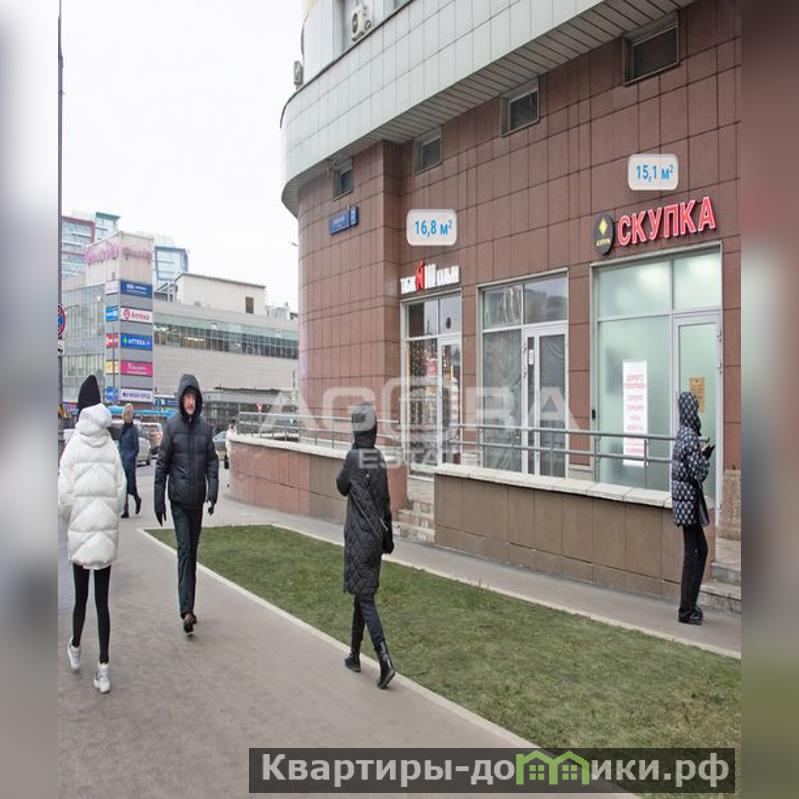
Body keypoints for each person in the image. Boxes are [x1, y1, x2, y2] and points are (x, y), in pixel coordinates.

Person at [58, 375, 127, 694]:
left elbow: (63, 497)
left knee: (81, 598)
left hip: (81, 535)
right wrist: (110, 517)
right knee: (102, 602)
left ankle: (75, 646)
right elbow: (121, 489)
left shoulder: (72, 447)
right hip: (105, 537)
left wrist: (70, 522)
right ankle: (103, 668)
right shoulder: (110, 446)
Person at [336, 403, 396, 689]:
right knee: (362, 595)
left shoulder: (353, 458)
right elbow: (385, 502)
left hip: (359, 539)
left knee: (366, 600)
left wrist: (353, 451)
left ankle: (385, 661)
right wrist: (389, 537)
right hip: (375, 541)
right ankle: (354, 655)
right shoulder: (378, 458)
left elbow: (341, 486)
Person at [154, 374, 219, 636]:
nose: (190, 402)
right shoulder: (171, 427)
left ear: (197, 399)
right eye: (186, 397)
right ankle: (186, 611)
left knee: (192, 552)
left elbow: (212, 462)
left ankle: (190, 604)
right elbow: (161, 466)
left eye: (193, 397)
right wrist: (158, 500)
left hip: (197, 501)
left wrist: (213, 490)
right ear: (181, 399)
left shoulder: (205, 428)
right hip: (179, 501)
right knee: (184, 550)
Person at [671, 391, 713, 625]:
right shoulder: (689, 436)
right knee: (693, 553)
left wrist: (700, 454)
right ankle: (686, 610)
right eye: (695, 408)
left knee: (700, 550)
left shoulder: (683, 433)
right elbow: (699, 472)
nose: (697, 412)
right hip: (689, 505)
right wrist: (705, 458)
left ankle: (689, 604)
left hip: (686, 503)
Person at [118, 403, 142, 518]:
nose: (127, 416)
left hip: (130, 463)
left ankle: (137, 499)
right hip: (122, 461)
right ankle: (126, 510)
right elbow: (120, 444)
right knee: (124, 486)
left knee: (131, 486)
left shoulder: (133, 430)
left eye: (129, 414)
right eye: (125, 414)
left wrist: (130, 457)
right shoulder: (122, 429)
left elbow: (136, 448)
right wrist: (120, 454)